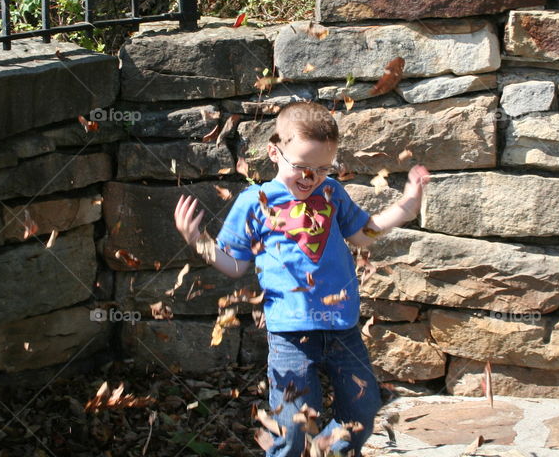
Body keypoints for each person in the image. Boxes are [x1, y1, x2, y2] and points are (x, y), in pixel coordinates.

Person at [174, 100, 429, 457]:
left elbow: (362, 234)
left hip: (343, 329)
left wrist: (406, 208)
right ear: (274, 152)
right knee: (293, 425)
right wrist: (199, 242)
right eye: (303, 168)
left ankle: (329, 449)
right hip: (290, 338)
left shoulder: (331, 193)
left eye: (323, 169)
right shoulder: (255, 201)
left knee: (363, 408)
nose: (312, 178)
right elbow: (235, 266)